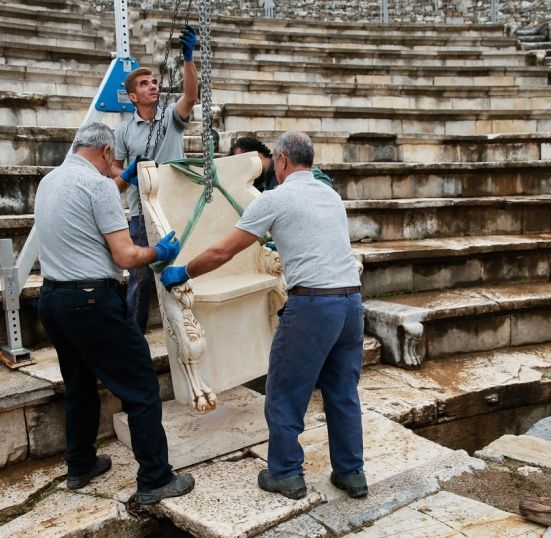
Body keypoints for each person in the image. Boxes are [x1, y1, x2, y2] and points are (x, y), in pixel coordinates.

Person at [161, 132, 367, 500]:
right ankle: (351, 474)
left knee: (284, 392)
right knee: (342, 393)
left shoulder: (277, 197)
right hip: (350, 304)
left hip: (313, 307)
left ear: (283, 160)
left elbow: (224, 251)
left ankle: (285, 473)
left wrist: (185, 270)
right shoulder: (330, 195)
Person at [34, 122, 194, 505]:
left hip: (53, 300)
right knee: (140, 387)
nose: (115, 167)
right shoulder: (99, 186)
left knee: (79, 386)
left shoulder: (49, 182)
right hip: (92, 301)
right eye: (113, 160)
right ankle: (156, 478)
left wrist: (118, 181)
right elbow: (125, 255)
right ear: (106, 152)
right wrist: (158, 253)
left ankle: (80, 466)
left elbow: (88, 210)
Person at [111, 25, 199, 333]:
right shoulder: (122, 131)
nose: (153, 86)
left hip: (176, 205)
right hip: (141, 211)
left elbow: (190, 95)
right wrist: (128, 175)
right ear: (133, 96)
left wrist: (188, 58)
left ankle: (189, 326)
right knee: (141, 277)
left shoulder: (171, 117)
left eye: (154, 82)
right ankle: (132, 335)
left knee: (185, 265)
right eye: (145, 83)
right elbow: (114, 168)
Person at [228, 136, 334, 191]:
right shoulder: (252, 182)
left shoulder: (292, 165)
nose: (241, 169)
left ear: (257, 157)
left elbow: (324, 186)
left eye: (242, 163)